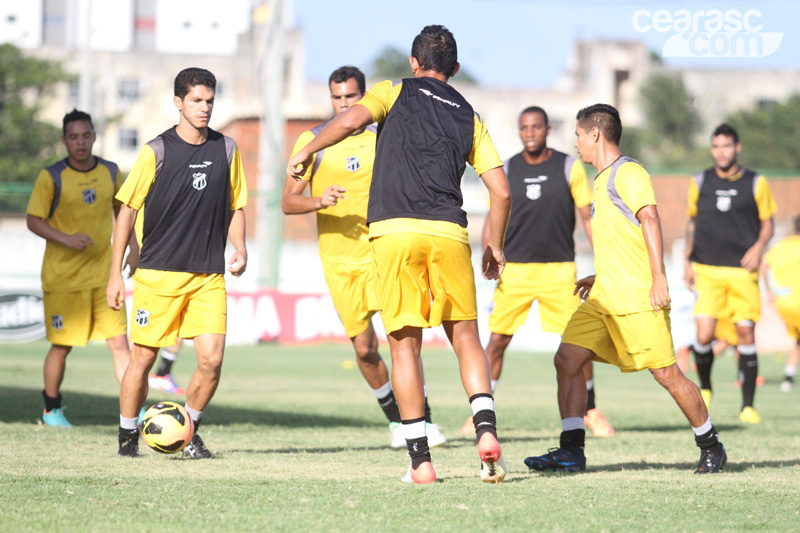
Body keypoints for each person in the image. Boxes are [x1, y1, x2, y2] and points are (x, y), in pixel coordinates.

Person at [288, 25, 511, 484]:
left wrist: (308, 149)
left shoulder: (392, 90)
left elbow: (349, 122)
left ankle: (420, 461)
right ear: (455, 68)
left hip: (393, 231)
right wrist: (495, 245)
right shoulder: (469, 114)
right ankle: (486, 431)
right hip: (449, 231)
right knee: (466, 338)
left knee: (404, 346)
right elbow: (502, 192)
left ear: (413, 62)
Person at [524, 104, 727, 474]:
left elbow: (650, 218)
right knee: (566, 360)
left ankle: (711, 444)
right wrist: (600, 276)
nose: (576, 142)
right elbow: (622, 239)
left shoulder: (628, 172)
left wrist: (659, 276)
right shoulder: (600, 180)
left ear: (595, 134)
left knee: (667, 374)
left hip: (637, 297)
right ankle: (571, 451)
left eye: (579, 135)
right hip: (603, 297)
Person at [281, 65, 446, 449]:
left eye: (351, 96)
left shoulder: (384, 135)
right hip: (339, 263)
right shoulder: (313, 140)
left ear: (363, 96)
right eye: (337, 97)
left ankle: (422, 423)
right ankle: (396, 422)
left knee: (403, 342)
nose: (344, 104)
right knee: (365, 350)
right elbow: (288, 202)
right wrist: (318, 201)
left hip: (382, 255)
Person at [107, 68, 248, 458]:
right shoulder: (156, 151)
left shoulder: (227, 149)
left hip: (208, 276)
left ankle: (187, 433)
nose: (204, 108)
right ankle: (127, 437)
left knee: (211, 361)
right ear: (178, 103)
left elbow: (236, 205)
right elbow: (126, 212)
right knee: (143, 359)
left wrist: (240, 247)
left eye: (209, 101)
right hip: (158, 275)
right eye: (196, 100)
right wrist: (115, 274)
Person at [469, 105, 614, 438]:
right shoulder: (507, 168)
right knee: (496, 341)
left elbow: (587, 216)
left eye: (536, 127)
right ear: (519, 131)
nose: (530, 133)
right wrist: (489, 250)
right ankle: (481, 413)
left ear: (547, 130)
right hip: (515, 271)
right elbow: (493, 214)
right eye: (524, 127)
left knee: (577, 343)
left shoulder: (568, 166)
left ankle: (591, 410)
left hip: (559, 271)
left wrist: (603, 260)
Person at [26, 109, 137, 427]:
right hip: (64, 279)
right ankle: (51, 410)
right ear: (64, 141)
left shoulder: (110, 171)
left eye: (85, 135)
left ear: (94, 137)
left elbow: (124, 211)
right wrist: (66, 238)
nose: (80, 142)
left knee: (119, 343)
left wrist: (134, 247)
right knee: (61, 346)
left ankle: (134, 408)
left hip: (104, 277)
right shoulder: (51, 176)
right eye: (73, 137)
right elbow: (33, 220)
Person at [684, 123, 776, 424]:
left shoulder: (755, 182)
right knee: (704, 334)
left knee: (745, 334)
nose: (720, 152)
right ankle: (706, 388)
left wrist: (759, 247)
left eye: (726, 146)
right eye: (715, 146)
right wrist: (686, 261)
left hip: (742, 272)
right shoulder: (700, 180)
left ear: (737, 147)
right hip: (707, 269)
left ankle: (747, 406)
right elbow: (692, 223)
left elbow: (768, 222)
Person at [760, 214, 800, 392]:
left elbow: (763, 267)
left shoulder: (780, 246)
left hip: (783, 301)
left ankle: (788, 377)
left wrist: (769, 290)